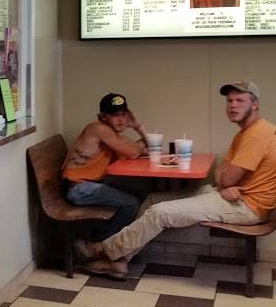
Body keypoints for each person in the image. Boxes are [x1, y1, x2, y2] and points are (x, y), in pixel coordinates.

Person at [81, 81, 276, 278]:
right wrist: (226, 183)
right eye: (230, 101)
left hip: (247, 206)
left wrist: (227, 182)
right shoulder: (245, 133)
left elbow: (226, 178)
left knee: (160, 212)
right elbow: (220, 174)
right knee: (152, 200)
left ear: (255, 104)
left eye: (240, 100)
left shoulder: (258, 134)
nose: (233, 105)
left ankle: (104, 250)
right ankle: (120, 260)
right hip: (228, 196)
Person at [62, 93, 149, 241]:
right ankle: (100, 244)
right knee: (131, 204)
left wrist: (138, 127)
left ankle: (109, 241)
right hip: (79, 188)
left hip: (87, 185)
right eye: (115, 115)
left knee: (139, 190)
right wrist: (139, 143)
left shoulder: (111, 134)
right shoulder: (99, 129)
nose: (121, 119)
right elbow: (134, 152)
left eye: (124, 114)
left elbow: (149, 148)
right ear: (103, 117)